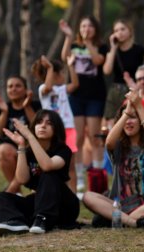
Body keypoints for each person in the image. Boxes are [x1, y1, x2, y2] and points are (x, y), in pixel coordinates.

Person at [82, 90, 144, 227]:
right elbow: (108, 142)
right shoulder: (118, 147)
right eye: (126, 118)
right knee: (87, 196)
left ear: (142, 121)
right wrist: (126, 112)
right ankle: (132, 222)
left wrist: (139, 106)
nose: (128, 122)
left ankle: (120, 219)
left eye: (133, 118)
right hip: (119, 205)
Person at [0, 110, 80, 235]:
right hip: (40, 202)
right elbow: (22, 179)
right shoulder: (28, 152)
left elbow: (47, 165)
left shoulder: (63, 150)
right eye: (39, 122)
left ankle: (42, 219)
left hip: (64, 206)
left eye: (49, 123)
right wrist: (21, 146)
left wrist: (30, 137)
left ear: (56, 129)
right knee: (1, 197)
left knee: (49, 174)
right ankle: (15, 222)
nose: (43, 126)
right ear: (34, 127)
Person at [59, 16, 107, 190]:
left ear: (95, 29)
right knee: (77, 138)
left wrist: (88, 43)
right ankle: (79, 177)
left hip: (95, 96)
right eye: (83, 25)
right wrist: (68, 36)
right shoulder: (74, 45)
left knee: (95, 137)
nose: (87, 29)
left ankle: (98, 175)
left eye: (90, 26)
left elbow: (98, 61)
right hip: (76, 97)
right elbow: (65, 56)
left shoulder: (101, 46)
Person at [31, 55, 79, 193]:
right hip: (52, 131)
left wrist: (71, 65)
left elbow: (75, 85)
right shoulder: (43, 90)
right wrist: (50, 67)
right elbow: (47, 86)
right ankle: (40, 191)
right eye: (62, 73)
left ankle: (73, 194)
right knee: (47, 162)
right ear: (53, 74)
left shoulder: (62, 89)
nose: (64, 76)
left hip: (68, 129)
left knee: (70, 165)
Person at [102, 19, 144, 127]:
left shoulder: (139, 50)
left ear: (130, 31)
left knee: (132, 121)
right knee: (111, 123)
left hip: (133, 89)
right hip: (115, 90)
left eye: (122, 29)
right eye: (116, 30)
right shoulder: (112, 51)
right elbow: (107, 71)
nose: (119, 32)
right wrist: (113, 48)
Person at [0, 76, 42, 194]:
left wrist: (26, 106)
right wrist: (4, 112)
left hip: (33, 147)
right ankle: (17, 193)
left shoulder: (35, 105)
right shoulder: (2, 107)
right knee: (3, 150)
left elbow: (39, 128)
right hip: (11, 148)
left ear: (25, 89)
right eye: (10, 86)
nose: (13, 89)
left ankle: (11, 190)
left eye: (18, 86)